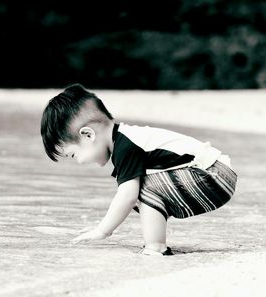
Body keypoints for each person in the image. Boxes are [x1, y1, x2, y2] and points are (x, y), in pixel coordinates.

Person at [40, 83, 237, 256]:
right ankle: (155, 245)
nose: (79, 162)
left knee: (137, 190)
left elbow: (128, 196)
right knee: (140, 193)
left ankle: (156, 248)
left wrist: (103, 230)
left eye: (74, 155)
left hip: (213, 176)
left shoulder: (126, 146)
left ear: (88, 135)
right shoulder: (126, 138)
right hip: (215, 174)